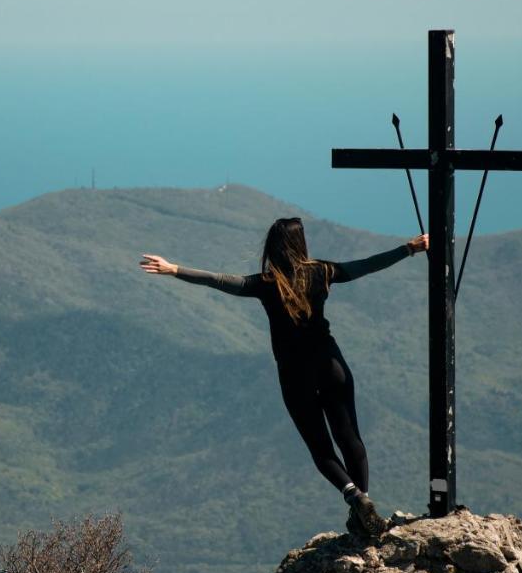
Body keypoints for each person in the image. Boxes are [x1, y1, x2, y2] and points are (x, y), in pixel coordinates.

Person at [140, 217, 428, 537]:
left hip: (295, 373)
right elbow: (367, 265)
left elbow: (218, 280)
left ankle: (355, 497)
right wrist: (408, 249)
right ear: (300, 244)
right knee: (350, 439)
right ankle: (364, 503)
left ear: (273, 247)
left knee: (320, 448)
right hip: (332, 366)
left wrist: (174, 269)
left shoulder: (266, 283)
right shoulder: (323, 271)